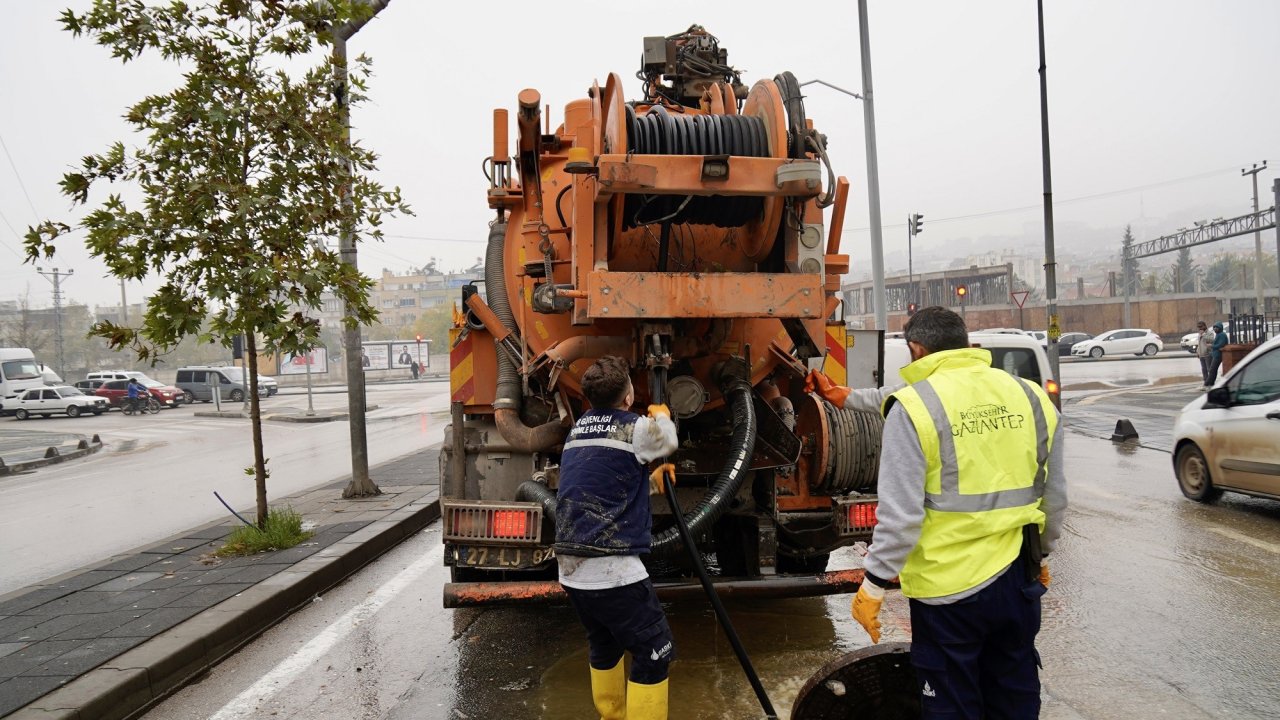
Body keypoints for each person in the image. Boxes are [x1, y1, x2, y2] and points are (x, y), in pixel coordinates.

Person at [807, 306, 1067, 718]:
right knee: (1014, 692)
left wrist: (873, 584)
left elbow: (900, 517)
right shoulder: (1030, 395)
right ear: (965, 342)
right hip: (1019, 579)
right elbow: (1054, 496)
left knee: (951, 701)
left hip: (949, 593)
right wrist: (1044, 555)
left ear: (916, 349)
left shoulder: (913, 409)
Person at [554, 356, 679, 720]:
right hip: (611, 566)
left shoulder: (577, 431)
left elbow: (601, 485)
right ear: (628, 396)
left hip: (571, 568)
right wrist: (661, 414)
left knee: (605, 643)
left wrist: (651, 485)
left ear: (588, 399)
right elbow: (667, 441)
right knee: (656, 651)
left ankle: (612, 715)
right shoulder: (635, 427)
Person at [1195, 321, 1214, 388]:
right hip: (1201, 354)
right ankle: (1206, 381)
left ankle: (1211, 381)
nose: (1200, 328)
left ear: (1204, 326)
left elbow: (1212, 340)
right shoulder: (1199, 333)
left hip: (1207, 353)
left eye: (1201, 327)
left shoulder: (1209, 333)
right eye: (1198, 327)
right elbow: (1199, 343)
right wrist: (1198, 352)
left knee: (1209, 369)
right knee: (1204, 369)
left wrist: (1204, 335)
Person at [1207, 321, 1227, 386]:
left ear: (1220, 328)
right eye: (1214, 327)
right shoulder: (1218, 334)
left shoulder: (1222, 335)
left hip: (1218, 355)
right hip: (1215, 354)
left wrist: (1211, 346)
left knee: (1212, 369)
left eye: (1217, 327)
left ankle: (1208, 383)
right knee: (1213, 370)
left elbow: (1221, 344)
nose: (1215, 329)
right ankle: (1211, 383)